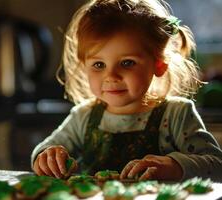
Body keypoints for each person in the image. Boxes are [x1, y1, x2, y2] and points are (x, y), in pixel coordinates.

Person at [31, 0, 222, 181]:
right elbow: (43, 150)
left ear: (159, 65)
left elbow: (216, 165)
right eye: (99, 64)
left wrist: (175, 166)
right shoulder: (83, 117)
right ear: (84, 67)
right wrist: (46, 157)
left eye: (127, 63)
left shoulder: (176, 115)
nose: (111, 76)